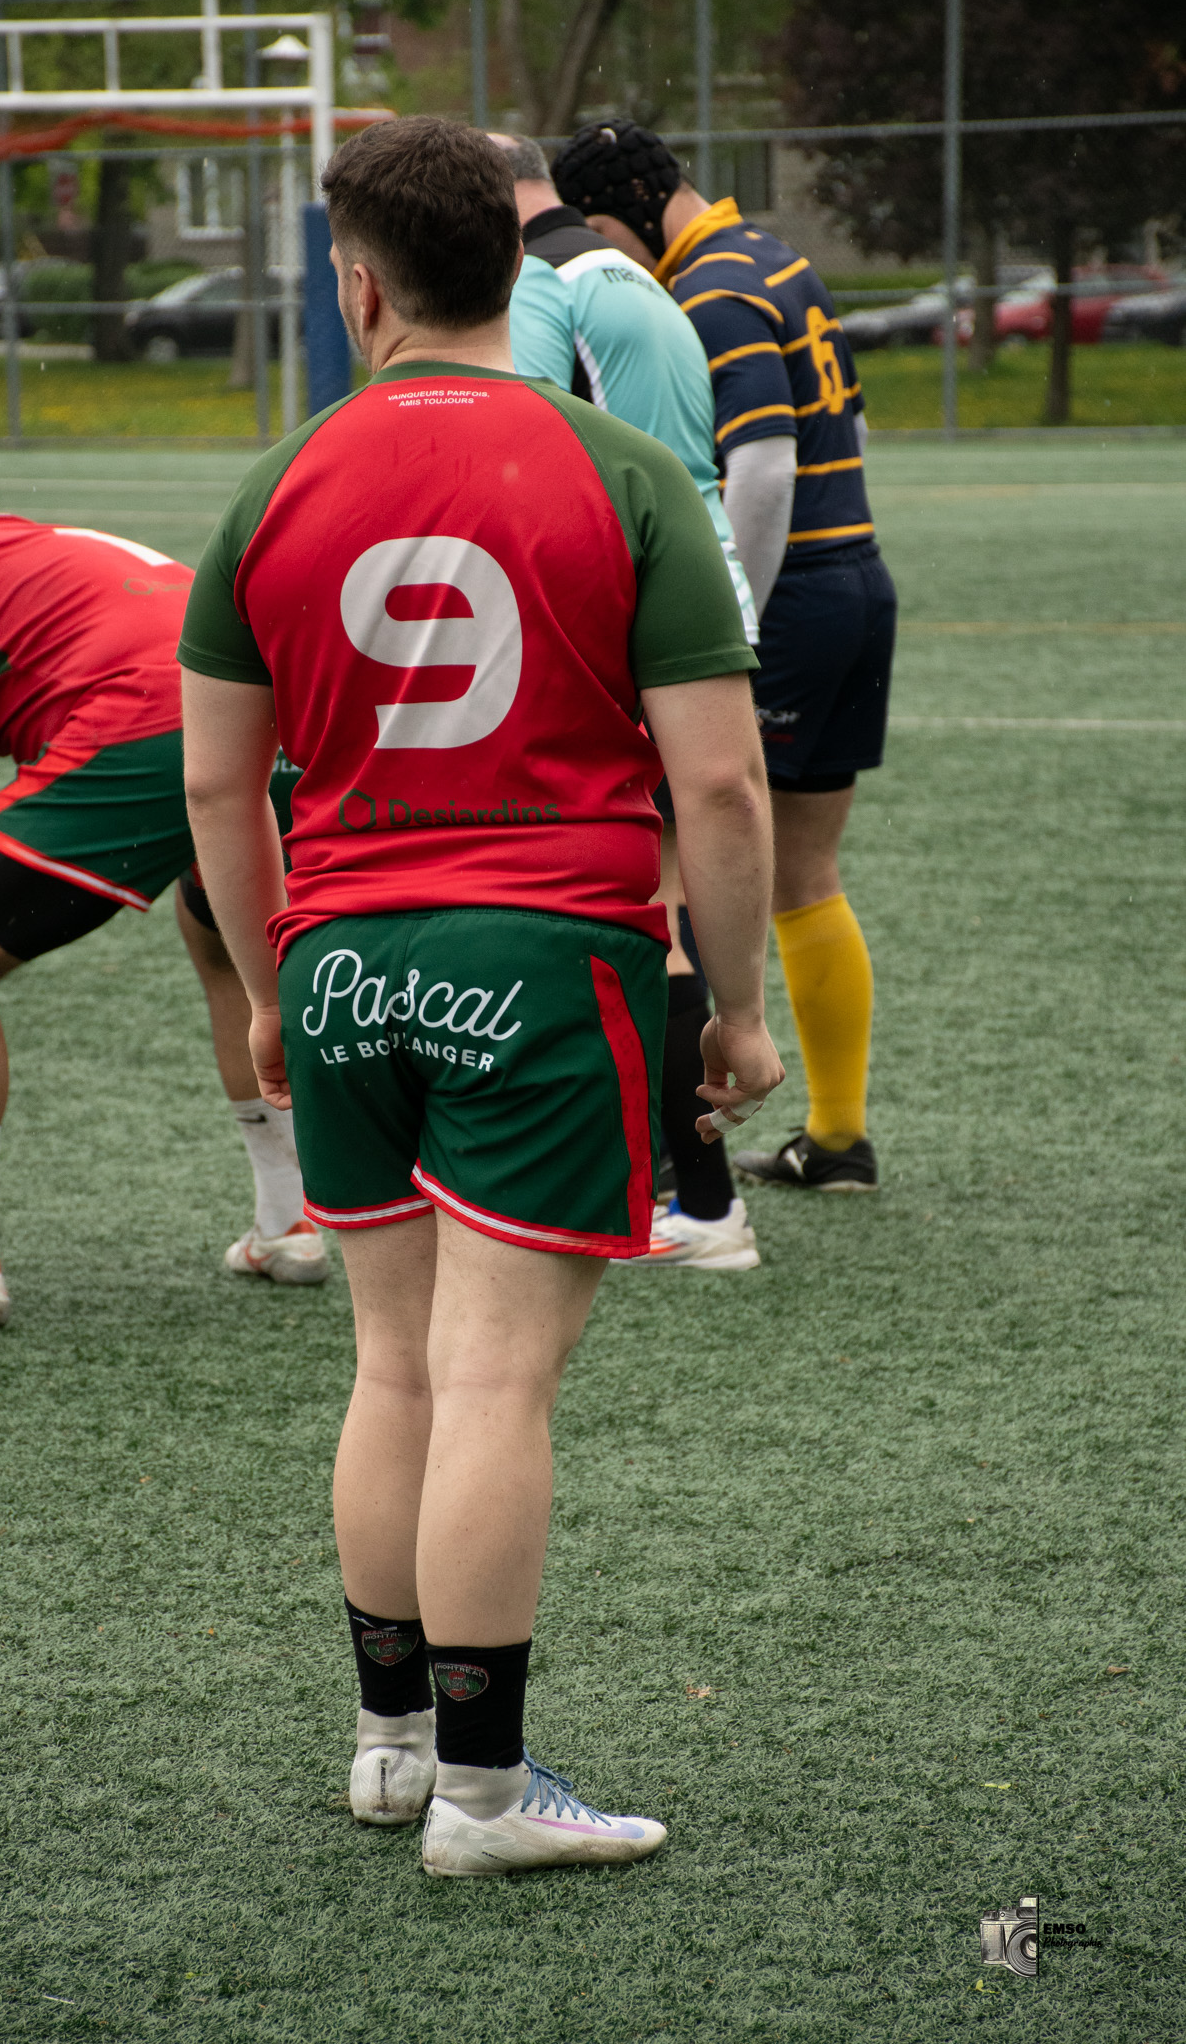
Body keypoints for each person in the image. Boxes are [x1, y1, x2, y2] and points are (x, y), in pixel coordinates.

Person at [178, 115, 782, 1878]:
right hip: (545, 950)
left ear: (357, 281)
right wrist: (734, 1012)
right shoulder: (622, 471)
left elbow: (222, 788)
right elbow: (725, 789)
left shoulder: (271, 481)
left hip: (346, 949)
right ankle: (489, 1797)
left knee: (390, 1363)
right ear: (517, 267)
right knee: (497, 1380)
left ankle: (387, 1748)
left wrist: (281, 972)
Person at [0, 419, 326, 1332]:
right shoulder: (48, 545)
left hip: (147, 727)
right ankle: (290, 1219)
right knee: (225, 945)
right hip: (271, 720)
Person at [554, 121, 896, 1193]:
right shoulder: (780, 259)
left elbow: (760, 469)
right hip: (855, 582)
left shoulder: (706, 287)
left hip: (787, 601)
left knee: (693, 865)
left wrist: (724, 628)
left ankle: (681, 1170)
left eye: (599, 232)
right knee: (802, 871)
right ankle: (837, 1137)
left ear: (626, 210)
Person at [491, 131, 760, 1272]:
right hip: (699, 586)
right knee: (665, 891)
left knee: (638, 900)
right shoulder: (630, 273)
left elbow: (525, 440)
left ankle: (699, 1198)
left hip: (638, 598)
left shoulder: (540, 283)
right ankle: (685, 1189)